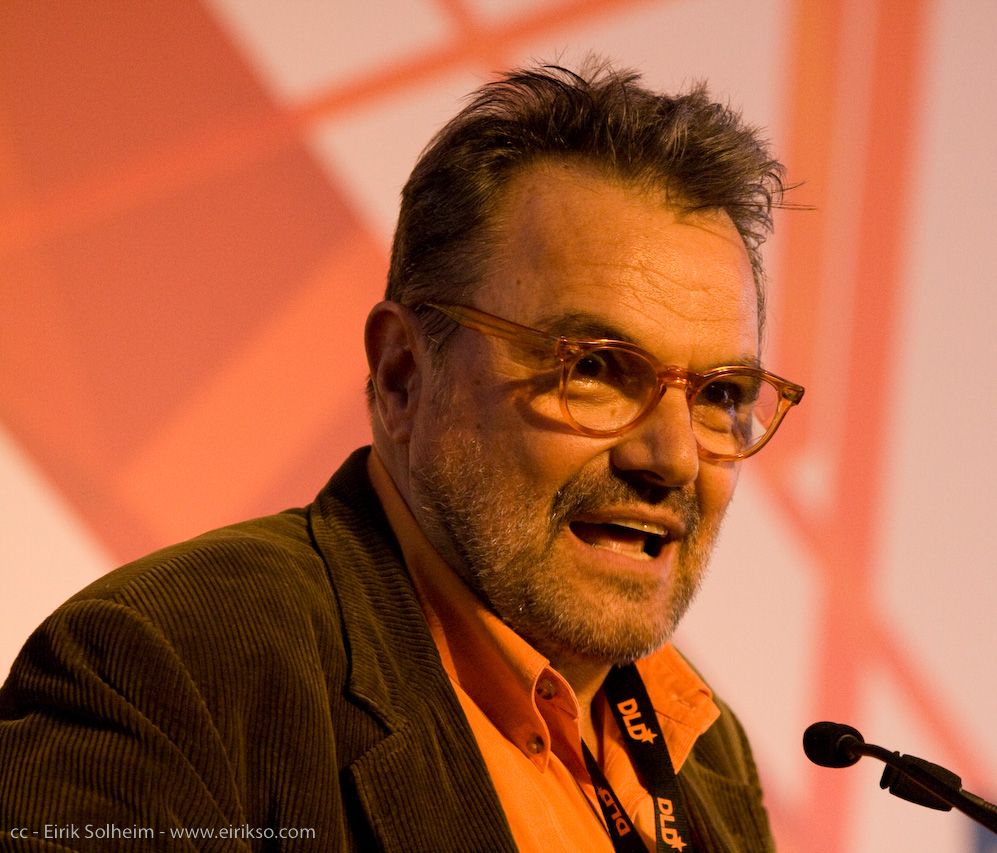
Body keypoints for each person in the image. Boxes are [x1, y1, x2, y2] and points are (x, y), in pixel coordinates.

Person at [0, 60, 803, 852]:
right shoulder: (165, 670)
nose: (673, 458)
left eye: (721, 393)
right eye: (594, 368)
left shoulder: (708, 755)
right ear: (403, 374)